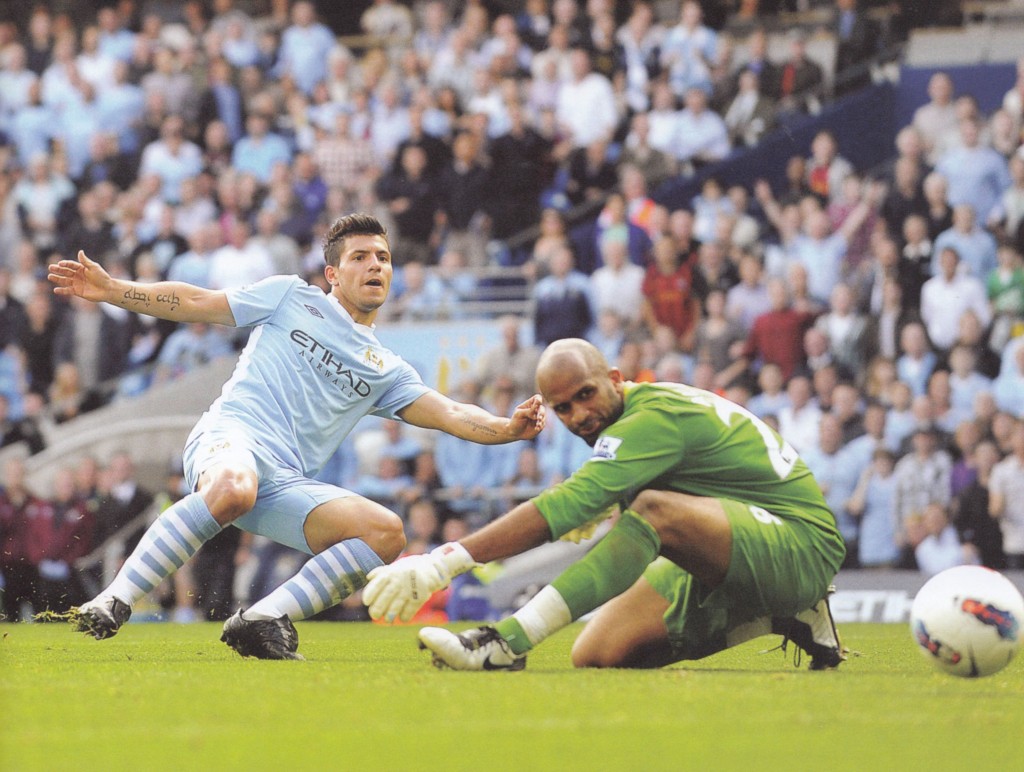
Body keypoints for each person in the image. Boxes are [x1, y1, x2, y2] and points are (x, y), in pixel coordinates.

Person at [47, 213, 545, 659]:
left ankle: (263, 617)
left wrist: (508, 428)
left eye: (384, 258)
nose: (376, 266)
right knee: (235, 487)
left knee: (387, 533)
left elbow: (451, 412)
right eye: (361, 257)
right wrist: (115, 290)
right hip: (230, 438)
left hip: (282, 483)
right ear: (332, 273)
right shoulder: (291, 296)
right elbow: (197, 301)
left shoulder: (385, 369)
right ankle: (114, 599)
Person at [364, 338, 846, 672]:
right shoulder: (634, 420)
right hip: (735, 540)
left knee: (654, 511)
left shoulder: (649, 421)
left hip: (801, 544)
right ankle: (783, 616)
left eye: (586, 395)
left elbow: (567, 505)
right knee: (596, 651)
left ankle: (504, 643)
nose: (579, 416)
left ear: (615, 378)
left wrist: (443, 561)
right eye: (564, 408)